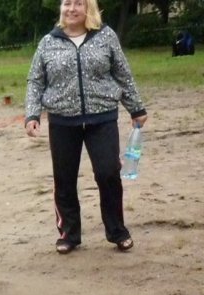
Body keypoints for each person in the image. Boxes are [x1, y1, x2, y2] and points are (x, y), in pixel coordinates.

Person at [24, 0, 148, 254]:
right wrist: (32, 114)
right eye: (66, 3)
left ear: (87, 8)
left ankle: (117, 231)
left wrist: (136, 108)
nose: (71, 8)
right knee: (64, 179)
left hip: (102, 117)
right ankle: (69, 234)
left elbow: (122, 73)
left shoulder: (106, 36)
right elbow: (35, 81)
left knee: (108, 173)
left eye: (77, 3)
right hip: (61, 121)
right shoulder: (48, 42)